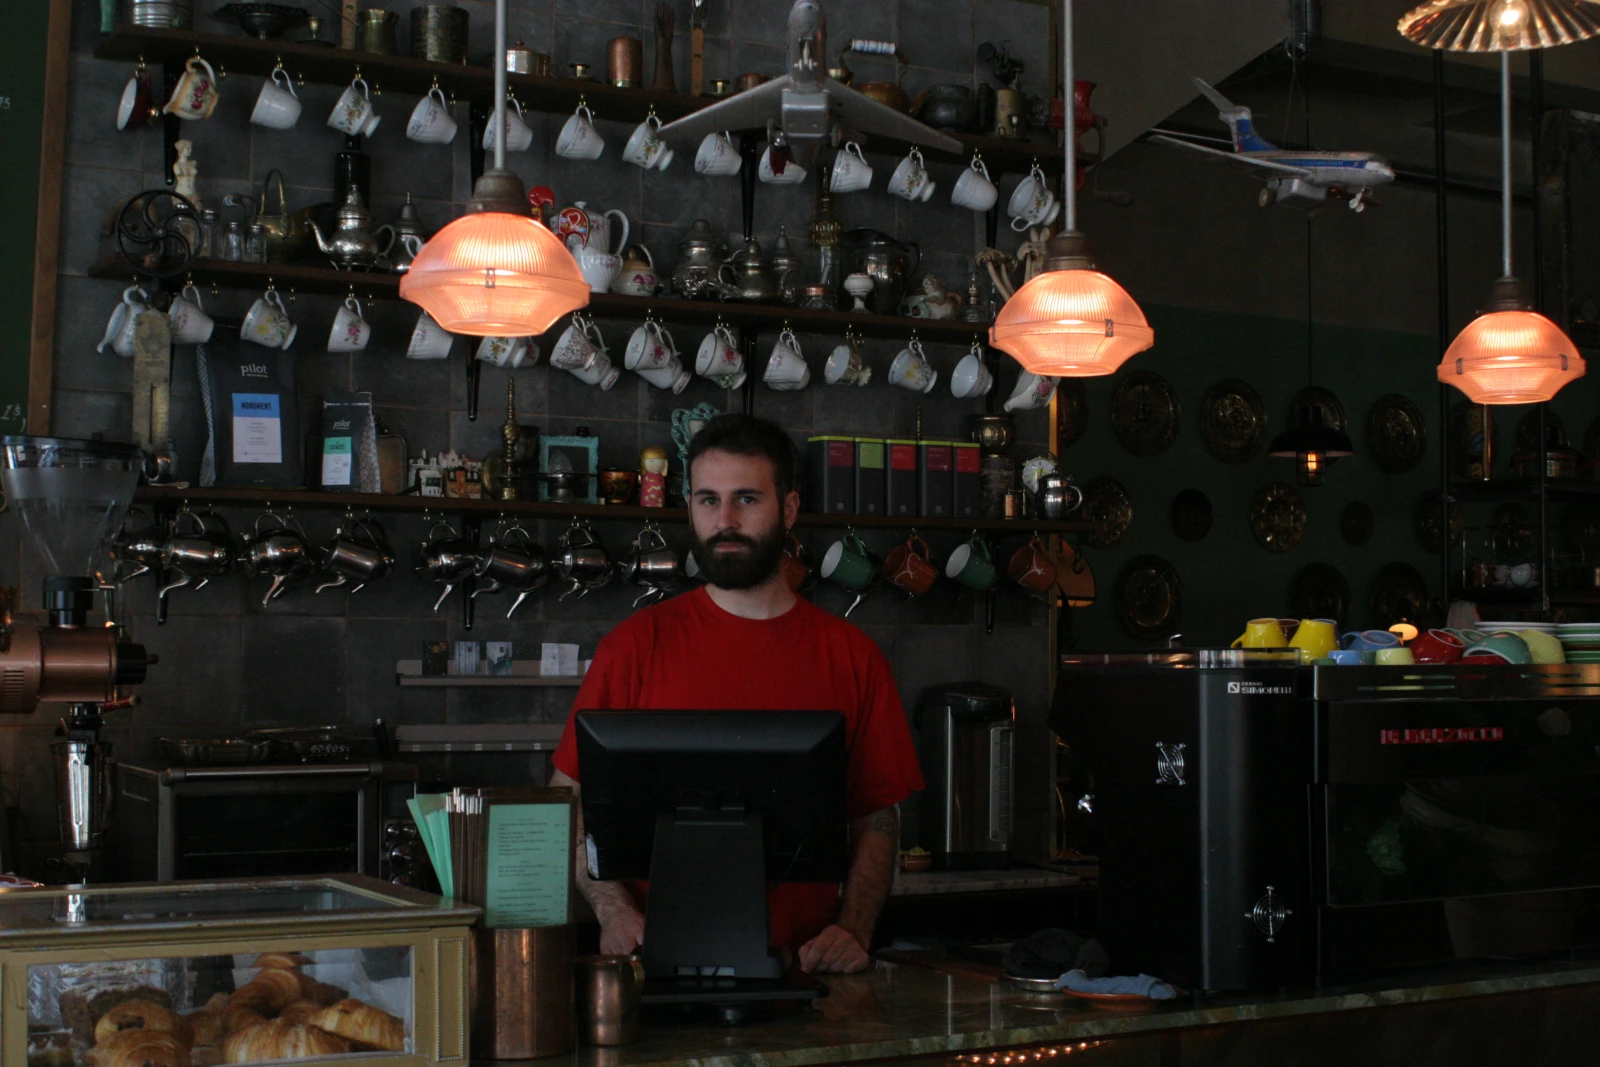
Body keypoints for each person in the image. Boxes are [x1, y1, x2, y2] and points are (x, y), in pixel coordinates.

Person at [550, 414, 923, 975]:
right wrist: (613, 911)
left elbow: (878, 817)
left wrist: (852, 931)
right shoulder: (634, 646)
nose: (724, 521)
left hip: (805, 975)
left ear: (788, 509)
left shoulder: (852, 656)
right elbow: (568, 800)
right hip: (653, 970)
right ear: (690, 508)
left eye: (746, 499)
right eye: (708, 500)